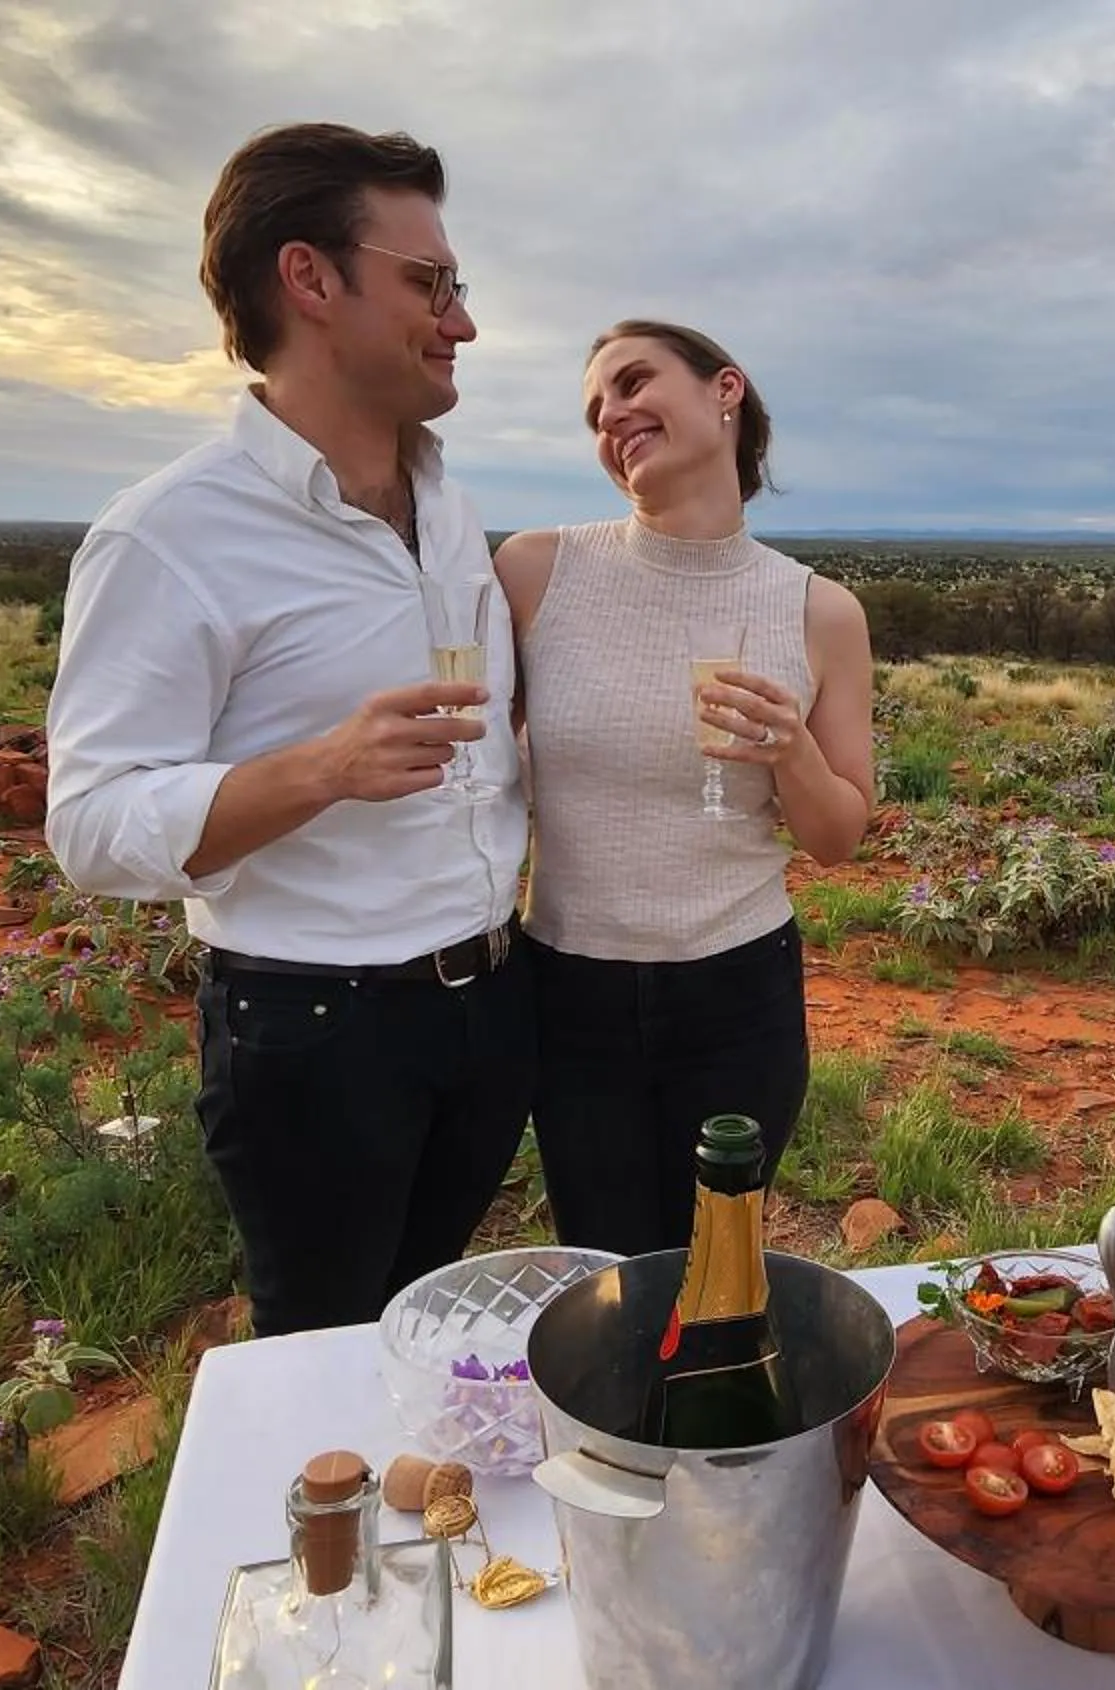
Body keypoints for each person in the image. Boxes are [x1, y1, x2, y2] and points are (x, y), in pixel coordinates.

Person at [43, 124, 530, 1337]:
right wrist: (320, 771)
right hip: (317, 1035)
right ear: (310, 279)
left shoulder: (452, 508)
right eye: (430, 283)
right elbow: (90, 823)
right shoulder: (168, 535)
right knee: (324, 1358)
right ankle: (320, 1530)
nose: (460, 321)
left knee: (426, 1328)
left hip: (490, 1011)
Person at [493, 322, 877, 1257]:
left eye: (633, 383)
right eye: (595, 410)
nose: (613, 416)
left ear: (725, 391)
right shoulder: (536, 573)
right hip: (571, 987)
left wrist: (790, 751)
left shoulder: (819, 611)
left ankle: (716, 1402)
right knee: (609, 1265)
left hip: (736, 995)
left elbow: (839, 836)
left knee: (717, 1268)